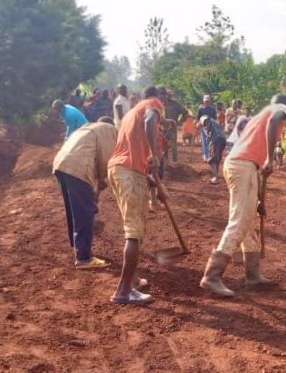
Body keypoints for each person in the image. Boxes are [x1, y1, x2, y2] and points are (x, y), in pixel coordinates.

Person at [199, 94, 286, 297]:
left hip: (239, 165)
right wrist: (270, 158)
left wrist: (258, 199)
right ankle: (212, 275)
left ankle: (253, 275)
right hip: (243, 165)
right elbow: (276, 120)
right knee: (240, 220)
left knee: (249, 219)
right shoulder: (279, 110)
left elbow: (254, 162)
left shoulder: (260, 116)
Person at [106, 86, 168, 305]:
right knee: (134, 232)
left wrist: (149, 179)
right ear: (158, 97)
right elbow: (150, 121)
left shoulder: (132, 111)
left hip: (120, 170)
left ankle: (132, 279)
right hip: (128, 172)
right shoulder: (153, 105)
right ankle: (123, 290)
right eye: (165, 97)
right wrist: (153, 153)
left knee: (134, 227)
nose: (164, 102)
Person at [52, 116, 118, 269]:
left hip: (61, 164)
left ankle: (78, 247)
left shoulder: (87, 128)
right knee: (84, 213)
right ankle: (83, 257)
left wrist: (99, 178)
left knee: (74, 210)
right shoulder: (109, 130)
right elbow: (105, 159)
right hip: (78, 168)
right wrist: (102, 177)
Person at [162, 88, 188, 163]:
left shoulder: (176, 104)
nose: (168, 97)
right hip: (162, 128)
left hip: (172, 128)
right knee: (164, 146)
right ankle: (165, 162)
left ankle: (174, 162)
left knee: (173, 146)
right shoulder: (161, 103)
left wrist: (180, 122)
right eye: (167, 95)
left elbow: (185, 112)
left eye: (170, 95)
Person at [199, 115, 227, 184]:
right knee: (217, 159)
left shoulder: (205, 120)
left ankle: (215, 177)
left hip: (215, 139)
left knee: (211, 160)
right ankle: (216, 175)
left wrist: (206, 155)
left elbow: (207, 122)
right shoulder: (214, 121)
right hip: (223, 139)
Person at [197, 94, 217, 162]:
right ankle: (206, 156)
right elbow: (198, 118)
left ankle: (210, 155)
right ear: (203, 101)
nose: (207, 102)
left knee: (210, 142)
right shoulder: (200, 109)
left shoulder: (213, 110)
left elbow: (215, 119)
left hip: (211, 128)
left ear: (210, 101)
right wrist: (197, 123)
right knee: (204, 142)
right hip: (203, 128)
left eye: (208, 101)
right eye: (205, 101)